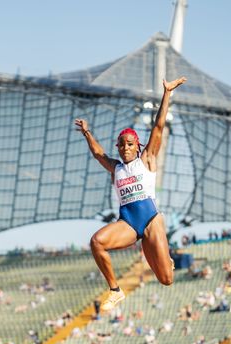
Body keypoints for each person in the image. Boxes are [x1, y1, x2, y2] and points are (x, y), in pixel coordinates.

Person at [74, 76, 186, 311]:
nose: (125, 147)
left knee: (166, 279)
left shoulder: (147, 159)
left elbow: (158, 127)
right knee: (97, 242)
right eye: (122, 144)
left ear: (138, 146)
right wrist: (87, 133)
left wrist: (167, 93)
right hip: (128, 223)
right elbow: (98, 154)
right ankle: (115, 290)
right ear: (118, 147)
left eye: (130, 144)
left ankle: (167, 259)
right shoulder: (116, 168)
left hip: (151, 221)